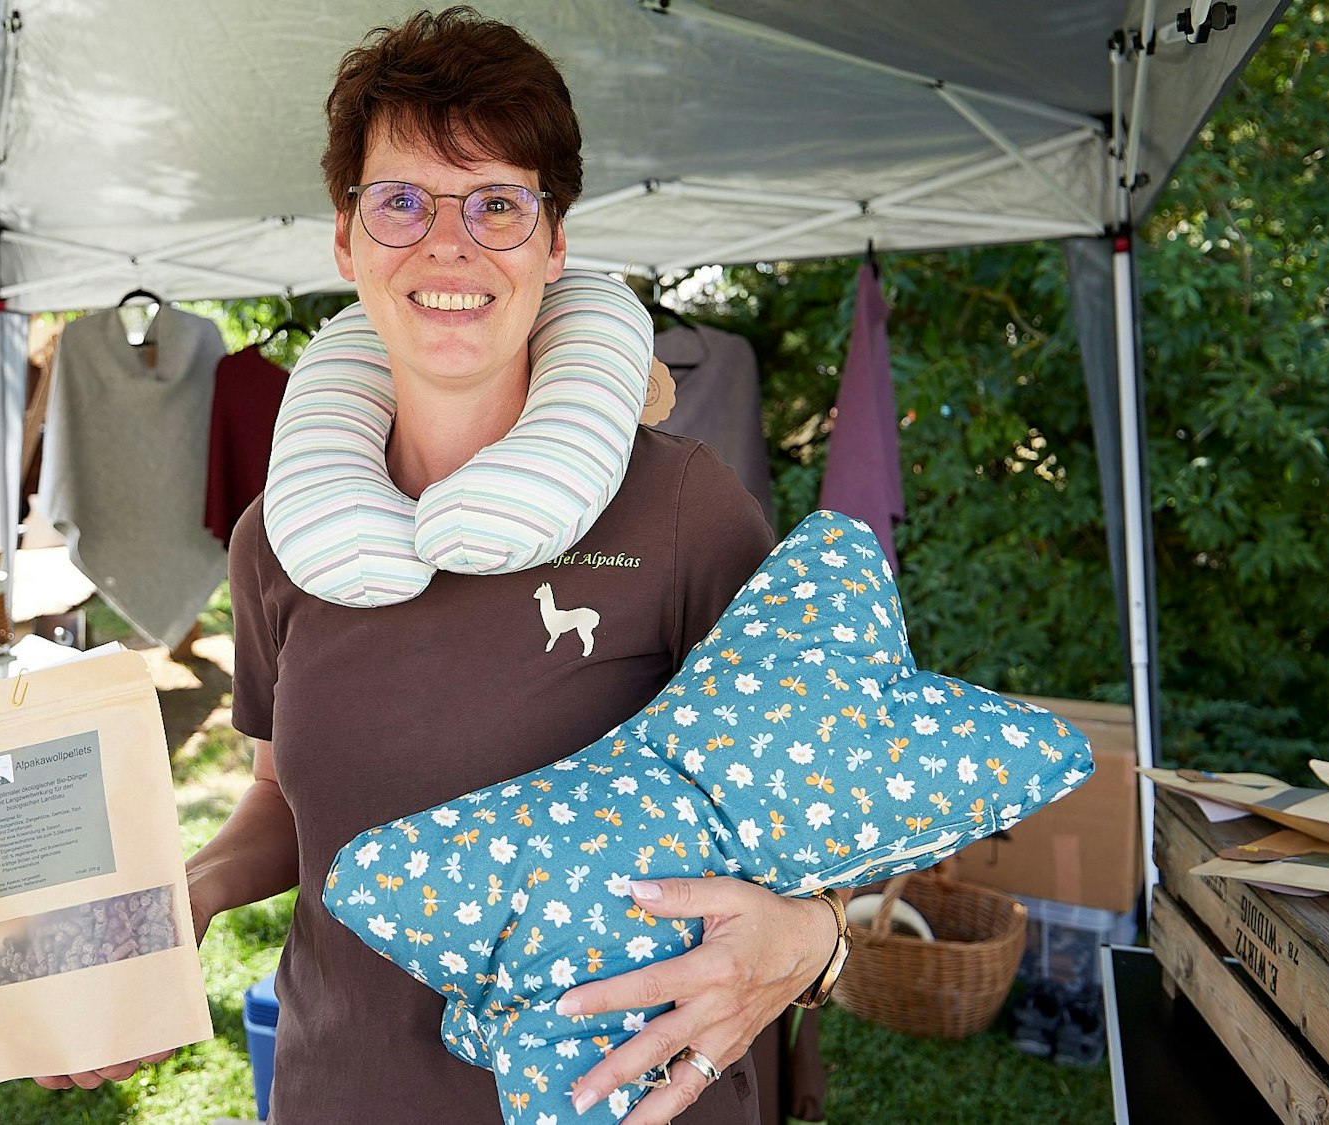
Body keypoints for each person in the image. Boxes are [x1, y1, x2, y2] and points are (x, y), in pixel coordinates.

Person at [41, 11, 838, 1124]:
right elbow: (284, 797)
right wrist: (198, 888)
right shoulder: (277, 538)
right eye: (400, 201)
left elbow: (826, 806)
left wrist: (816, 938)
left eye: (498, 204)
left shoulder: (680, 510)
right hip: (342, 1090)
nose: (447, 245)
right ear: (346, 240)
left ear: (553, 246)